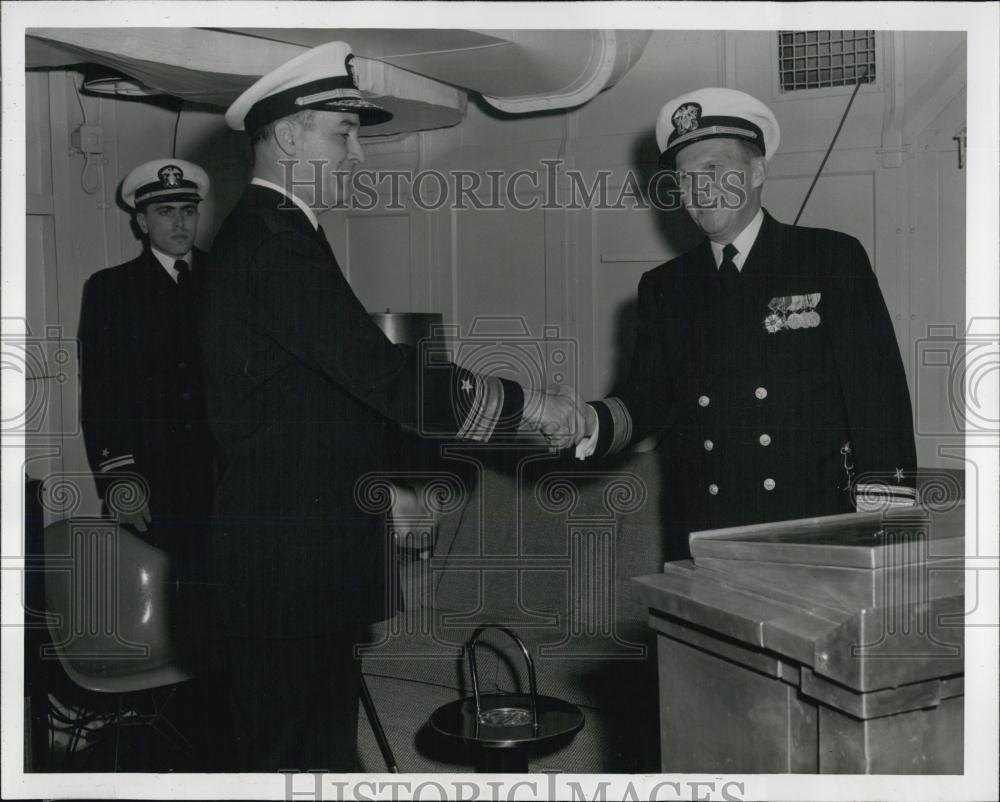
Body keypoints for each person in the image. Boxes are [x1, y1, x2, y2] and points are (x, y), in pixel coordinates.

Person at [198, 40, 578, 771]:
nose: (357, 155)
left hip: (294, 558)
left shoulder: (273, 235)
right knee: (294, 760)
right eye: (342, 134)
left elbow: (314, 405)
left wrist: (378, 495)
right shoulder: (275, 243)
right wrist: (531, 403)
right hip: (286, 571)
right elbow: (389, 377)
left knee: (318, 751)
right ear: (285, 135)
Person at [576, 87, 917, 558]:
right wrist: (588, 420)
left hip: (812, 529)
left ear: (756, 171)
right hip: (707, 529)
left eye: (713, 169)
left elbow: (879, 401)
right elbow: (648, 395)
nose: (699, 189)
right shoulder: (665, 286)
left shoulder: (829, 258)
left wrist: (886, 528)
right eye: (685, 178)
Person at [78, 158, 216, 663]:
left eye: (187, 210)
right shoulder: (112, 290)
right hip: (157, 480)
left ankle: (221, 728)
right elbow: (100, 393)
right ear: (141, 221)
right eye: (164, 212)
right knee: (165, 612)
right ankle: (166, 732)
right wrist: (120, 479)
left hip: (223, 475)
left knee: (223, 607)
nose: (179, 223)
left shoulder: (225, 281)